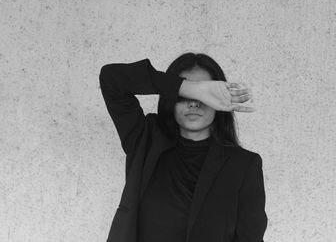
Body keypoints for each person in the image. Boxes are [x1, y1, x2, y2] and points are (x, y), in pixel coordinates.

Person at [99, 52, 268, 242]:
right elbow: (112, 78)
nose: (194, 103)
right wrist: (189, 88)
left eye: (205, 96)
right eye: (186, 94)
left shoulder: (244, 165)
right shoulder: (145, 141)